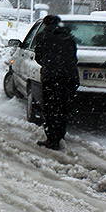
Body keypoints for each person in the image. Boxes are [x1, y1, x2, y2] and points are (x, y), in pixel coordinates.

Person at [34, 15, 79, 150]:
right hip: (70, 77)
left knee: (51, 108)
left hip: (53, 77)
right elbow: (74, 56)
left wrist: (50, 65)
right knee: (63, 107)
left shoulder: (43, 36)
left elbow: (39, 57)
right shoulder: (69, 36)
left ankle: (52, 139)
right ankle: (60, 134)